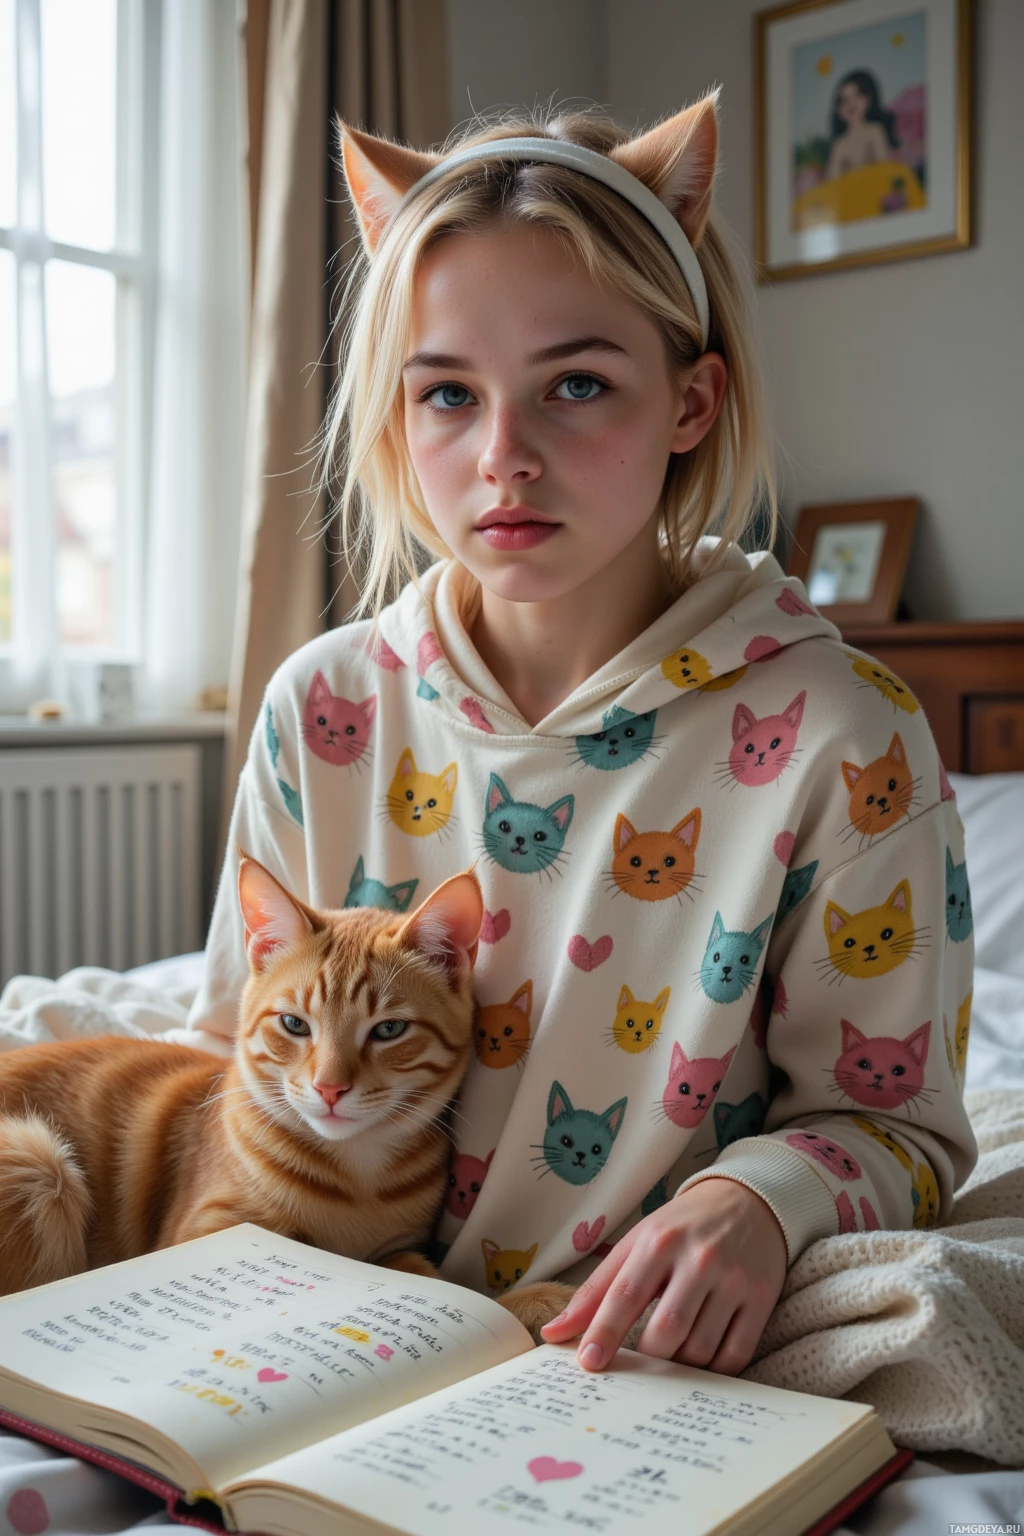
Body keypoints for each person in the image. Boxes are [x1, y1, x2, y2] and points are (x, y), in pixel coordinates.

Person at [185, 91, 976, 1378]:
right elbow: (231, 1049)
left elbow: (903, 1130)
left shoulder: (847, 737)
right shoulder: (321, 705)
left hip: (603, 1372)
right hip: (328, 1344)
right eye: (448, 393)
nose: (503, 455)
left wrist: (759, 1198)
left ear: (691, 402)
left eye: (576, 385)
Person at [825, 68, 900, 180]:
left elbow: (884, 166)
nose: (851, 103)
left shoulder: (875, 131)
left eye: (857, 96)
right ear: (838, 110)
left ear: (867, 100)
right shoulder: (839, 145)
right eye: (844, 100)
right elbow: (833, 180)